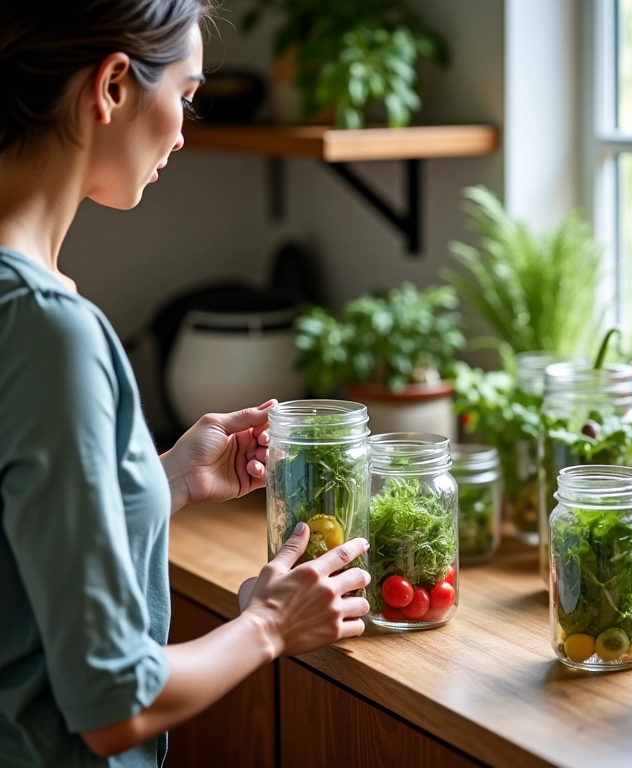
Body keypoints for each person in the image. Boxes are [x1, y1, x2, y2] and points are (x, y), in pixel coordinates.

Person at [0, 2, 371, 766]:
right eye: (187, 94)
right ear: (111, 86)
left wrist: (164, 479)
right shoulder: (48, 329)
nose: (181, 129)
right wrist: (268, 625)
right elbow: (114, 704)